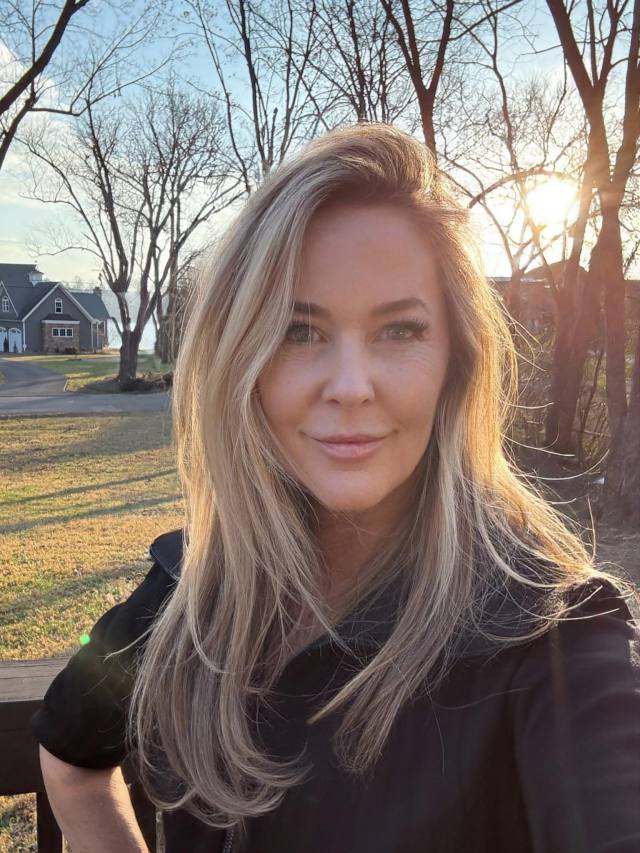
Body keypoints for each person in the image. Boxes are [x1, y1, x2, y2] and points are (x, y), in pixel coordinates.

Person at [31, 123, 640, 853]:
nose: (351, 386)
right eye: (300, 332)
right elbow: (69, 757)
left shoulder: (554, 635)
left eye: (400, 330)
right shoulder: (190, 589)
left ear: (457, 360)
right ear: (240, 364)